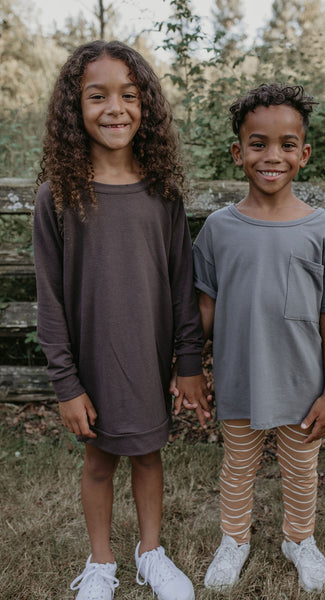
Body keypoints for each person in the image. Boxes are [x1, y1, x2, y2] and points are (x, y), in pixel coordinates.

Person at [33, 40, 211, 600]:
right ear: (74, 108)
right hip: (91, 362)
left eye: (129, 95)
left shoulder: (163, 194)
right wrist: (66, 384)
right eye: (98, 96)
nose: (115, 108)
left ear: (146, 106)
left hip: (147, 356)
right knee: (98, 460)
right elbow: (49, 299)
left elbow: (182, 284)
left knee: (148, 455)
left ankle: (150, 553)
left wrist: (188, 364)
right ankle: (101, 561)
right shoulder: (58, 196)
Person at [174, 83, 325, 593]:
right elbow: (204, 309)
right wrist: (186, 366)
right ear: (237, 152)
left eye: (287, 144)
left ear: (304, 154)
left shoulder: (321, 228)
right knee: (237, 465)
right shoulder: (218, 229)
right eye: (258, 144)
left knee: (302, 468)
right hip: (239, 379)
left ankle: (299, 540)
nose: (272, 156)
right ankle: (234, 540)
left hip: (302, 385)